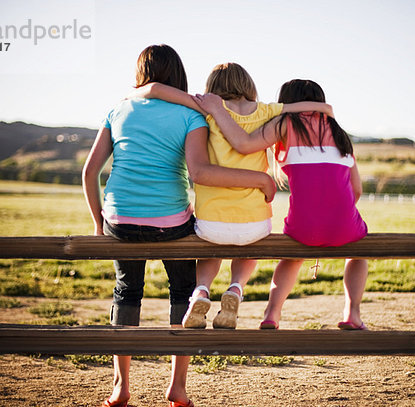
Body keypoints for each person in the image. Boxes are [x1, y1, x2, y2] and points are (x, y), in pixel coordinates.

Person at [82, 45, 276, 407]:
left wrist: (99, 223)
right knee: (183, 291)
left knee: (126, 292)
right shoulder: (192, 115)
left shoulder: (118, 108)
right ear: (179, 74)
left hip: (119, 221)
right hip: (171, 222)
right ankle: (178, 387)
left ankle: (120, 388)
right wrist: (259, 179)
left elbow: (90, 171)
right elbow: (200, 171)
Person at [129, 64, 333, 330]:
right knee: (249, 245)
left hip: (211, 222)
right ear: (248, 85)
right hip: (254, 223)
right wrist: (325, 109)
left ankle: (202, 290)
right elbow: (303, 108)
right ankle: (236, 288)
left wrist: (134, 95)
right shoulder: (266, 110)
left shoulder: (207, 108)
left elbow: (155, 89)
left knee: (211, 245)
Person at [194, 79, 369, 330]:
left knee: (291, 257)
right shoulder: (340, 133)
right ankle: (352, 313)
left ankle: (272, 313)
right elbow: (357, 190)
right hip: (344, 225)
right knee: (358, 252)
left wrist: (218, 111)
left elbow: (243, 145)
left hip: (303, 227)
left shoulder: (286, 123)